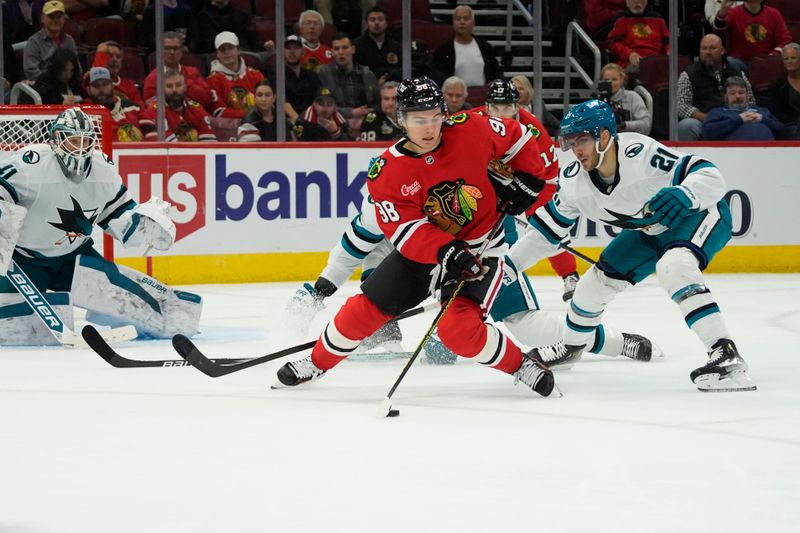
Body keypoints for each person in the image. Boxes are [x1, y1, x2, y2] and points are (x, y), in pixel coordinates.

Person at [275, 76, 556, 395]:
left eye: (435, 116)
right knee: (361, 310)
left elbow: (519, 137)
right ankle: (317, 363)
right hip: (423, 256)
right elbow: (406, 231)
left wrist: (530, 179)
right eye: (418, 119)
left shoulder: (471, 128)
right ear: (401, 119)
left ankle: (521, 365)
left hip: (481, 249)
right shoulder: (388, 170)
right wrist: (447, 251)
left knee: (458, 332)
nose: (429, 127)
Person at [509, 99, 756, 392]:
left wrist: (686, 194)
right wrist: (506, 268)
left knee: (674, 265)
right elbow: (543, 235)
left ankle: (726, 356)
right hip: (648, 229)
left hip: (697, 214)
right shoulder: (575, 182)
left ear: (604, 136)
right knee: (592, 286)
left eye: (583, 140)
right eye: (571, 141)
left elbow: (711, 175)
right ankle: (572, 347)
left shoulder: (641, 154)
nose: (576, 149)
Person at [0, 108, 202, 345]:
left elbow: (117, 213)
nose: (80, 148)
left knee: (142, 308)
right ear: (56, 140)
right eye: (74, 140)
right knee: (14, 328)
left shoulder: (103, 170)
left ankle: (169, 318)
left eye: (86, 141)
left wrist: (141, 224)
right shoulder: (31, 164)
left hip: (74, 258)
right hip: (24, 262)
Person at [471, 79, 580, 302]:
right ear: (487, 106)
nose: (501, 115)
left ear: (517, 107)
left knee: (546, 229)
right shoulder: (475, 119)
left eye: (507, 108)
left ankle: (570, 276)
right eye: (496, 108)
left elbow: (543, 175)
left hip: (538, 182)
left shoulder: (532, 131)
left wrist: (521, 195)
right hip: (497, 176)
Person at [677, 33, 756, 140]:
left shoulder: (737, 72)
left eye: (712, 48)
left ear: (722, 50)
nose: (708, 52)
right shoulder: (688, 74)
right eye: (704, 48)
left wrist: (738, 118)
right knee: (686, 126)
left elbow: (750, 101)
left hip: (736, 118)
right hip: (705, 121)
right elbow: (681, 106)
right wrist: (709, 118)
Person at [140, 69, 218, 141]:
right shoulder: (156, 110)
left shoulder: (196, 108)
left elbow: (209, 142)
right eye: (169, 86)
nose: (174, 90)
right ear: (161, 89)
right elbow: (169, 147)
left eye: (178, 85)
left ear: (185, 87)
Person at [143, 31, 212, 111]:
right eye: (167, 48)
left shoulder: (193, 72)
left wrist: (186, 82)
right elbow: (150, 107)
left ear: (182, 51)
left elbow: (207, 100)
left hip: (195, 116)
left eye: (175, 48)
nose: (172, 52)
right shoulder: (153, 78)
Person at [318, 33, 379, 120]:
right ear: (332, 52)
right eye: (336, 49)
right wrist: (351, 113)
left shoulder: (367, 74)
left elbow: (377, 105)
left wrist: (368, 120)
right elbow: (321, 107)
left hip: (365, 121)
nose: (341, 52)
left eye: (345, 48)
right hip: (334, 122)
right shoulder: (324, 73)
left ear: (353, 49)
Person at [702, 76, 786, 140]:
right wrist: (739, 119)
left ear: (747, 94)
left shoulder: (762, 111)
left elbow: (783, 132)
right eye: (732, 93)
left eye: (741, 92)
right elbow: (707, 133)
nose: (737, 96)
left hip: (770, 155)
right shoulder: (717, 113)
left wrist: (763, 120)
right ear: (725, 97)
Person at [433, 5, 498, 87]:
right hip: (455, 96)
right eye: (458, 19)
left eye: (466, 18)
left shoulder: (485, 47)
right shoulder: (443, 50)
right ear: (453, 23)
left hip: (482, 94)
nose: (462, 22)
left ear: (473, 23)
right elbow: (438, 78)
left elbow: (495, 72)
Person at [207, 31, 264, 118]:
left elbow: (267, 102)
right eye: (222, 49)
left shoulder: (255, 74)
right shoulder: (213, 80)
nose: (227, 52)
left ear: (238, 50)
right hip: (230, 128)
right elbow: (218, 111)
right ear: (217, 54)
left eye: (230, 48)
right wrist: (249, 116)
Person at [714, 0, 791, 64]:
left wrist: (773, 55)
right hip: (740, 62)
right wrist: (722, 12)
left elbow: (784, 40)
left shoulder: (774, 14)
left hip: (767, 61)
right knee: (730, 62)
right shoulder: (733, 13)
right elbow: (718, 31)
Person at [83, 66, 145, 142]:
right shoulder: (82, 111)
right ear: (88, 90)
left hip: (135, 152)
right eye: (96, 86)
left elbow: (151, 130)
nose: (101, 89)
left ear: (112, 86)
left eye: (105, 84)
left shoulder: (132, 106)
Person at [607, 0, 669, 72]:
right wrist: (629, 54)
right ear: (627, 2)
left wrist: (669, 51)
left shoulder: (657, 19)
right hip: (630, 63)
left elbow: (668, 41)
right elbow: (612, 43)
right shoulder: (621, 19)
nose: (637, 2)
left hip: (655, 61)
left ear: (646, 2)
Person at [23, 1, 78, 81]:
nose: (55, 20)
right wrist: (54, 80)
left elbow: (77, 69)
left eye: (59, 17)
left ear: (64, 19)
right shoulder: (33, 42)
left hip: (68, 87)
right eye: (51, 17)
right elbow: (31, 73)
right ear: (43, 19)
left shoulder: (70, 41)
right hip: (44, 87)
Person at [88, 41, 145, 109]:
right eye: (110, 56)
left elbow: (140, 109)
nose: (115, 60)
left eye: (118, 56)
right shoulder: (90, 82)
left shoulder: (129, 85)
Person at [761, 42, 800, 139]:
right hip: (790, 126)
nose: (789, 61)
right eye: (786, 59)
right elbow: (776, 113)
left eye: (793, 58)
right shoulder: (777, 85)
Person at [599, 63, 652, 134]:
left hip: (630, 139)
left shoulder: (633, 97)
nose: (610, 83)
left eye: (614, 80)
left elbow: (646, 124)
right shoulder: (596, 100)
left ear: (621, 80)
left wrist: (625, 125)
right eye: (607, 80)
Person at [353, 5, 402, 83]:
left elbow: (401, 69)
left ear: (386, 23)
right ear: (366, 24)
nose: (376, 23)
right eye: (372, 20)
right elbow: (355, 71)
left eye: (380, 19)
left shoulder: (396, 46)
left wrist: (387, 76)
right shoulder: (356, 46)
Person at [190, 0, 258, 54]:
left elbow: (252, 41)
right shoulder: (199, 18)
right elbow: (197, 45)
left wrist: (265, 45)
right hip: (212, 57)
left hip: (240, 55)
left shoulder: (242, 15)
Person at [283, 35, 322, 122]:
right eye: (288, 48)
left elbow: (319, 99)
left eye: (296, 48)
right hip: (287, 122)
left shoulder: (312, 76)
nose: (292, 52)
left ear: (303, 52)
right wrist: (299, 121)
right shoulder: (277, 76)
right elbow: (281, 101)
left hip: (311, 119)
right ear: (283, 52)